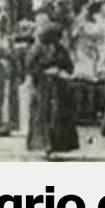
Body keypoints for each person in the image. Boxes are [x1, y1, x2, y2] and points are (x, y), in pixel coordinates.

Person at [26, 24, 79, 159]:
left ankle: (57, 145)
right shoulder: (37, 49)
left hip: (58, 87)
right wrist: (45, 72)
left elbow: (70, 66)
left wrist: (61, 71)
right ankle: (44, 145)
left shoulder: (61, 50)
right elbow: (29, 67)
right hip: (43, 87)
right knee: (44, 115)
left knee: (57, 115)